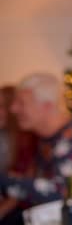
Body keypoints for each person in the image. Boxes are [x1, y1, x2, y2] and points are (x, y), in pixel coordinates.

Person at [0, 73, 72, 225]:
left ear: (47, 106)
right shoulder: (45, 138)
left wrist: (5, 181)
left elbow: (61, 195)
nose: (13, 108)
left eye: (21, 103)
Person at [0, 86, 38, 221]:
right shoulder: (4, 135)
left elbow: (20, 192)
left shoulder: (30, 140)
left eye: (1, 107)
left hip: (22, 208)